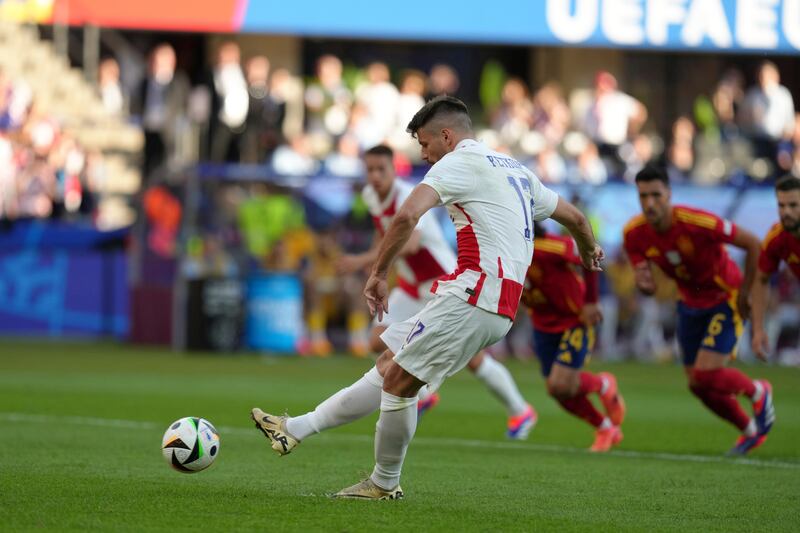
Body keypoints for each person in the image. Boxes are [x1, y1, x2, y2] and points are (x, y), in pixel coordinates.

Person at [251, 95, 603, 500]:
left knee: (399, 384)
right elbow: (576, 218)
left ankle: (384, 483)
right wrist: (590, 249)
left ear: (447, 136)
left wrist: (378, 273)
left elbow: (407, 216)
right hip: (491, 299)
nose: (423, 154)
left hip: (474, 293)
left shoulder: (458, 162)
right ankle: (293, 430)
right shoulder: (516, 169)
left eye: (424, 143)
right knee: (388, 366)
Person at [336, 144, 536, 439]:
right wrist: (378, 265)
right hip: (410, 284)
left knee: (472, 358)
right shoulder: (370, 197)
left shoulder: (408, 195)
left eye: (382, 169)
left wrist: (363, 260)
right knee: (377, 340)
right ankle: (424, 389)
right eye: (370, 170)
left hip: (439, 281)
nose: (376, 176)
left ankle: (521, 411)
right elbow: (385, 235)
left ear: (394, 170)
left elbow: (413, 243)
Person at [622, 165, 774, 455]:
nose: (650, 203)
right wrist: (644, 285)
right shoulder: (634, 234)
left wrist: (745, 293)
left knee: (706, 374)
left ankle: (758, 391)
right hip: (689, 304)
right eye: (643, 196)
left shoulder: (698, 222)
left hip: (724, 297)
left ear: (669, 194)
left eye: (656, 195)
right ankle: (749, 430)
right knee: (696, 385)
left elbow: (754, 244)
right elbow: (645, 280)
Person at [523, 222, 625, 452]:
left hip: (575, 320)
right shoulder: (505, 249)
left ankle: (603, 384)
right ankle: (605, 427)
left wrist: (591, 302)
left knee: (560, 383)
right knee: (556, 390)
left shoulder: (552, 247)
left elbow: (590, 255)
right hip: (542, 325)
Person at [751, 175, 800, 361]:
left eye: (793, 205)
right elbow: (761, 280)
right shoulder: (776, 239)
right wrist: (758, 329)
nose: (786, 212)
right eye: (781, 205)